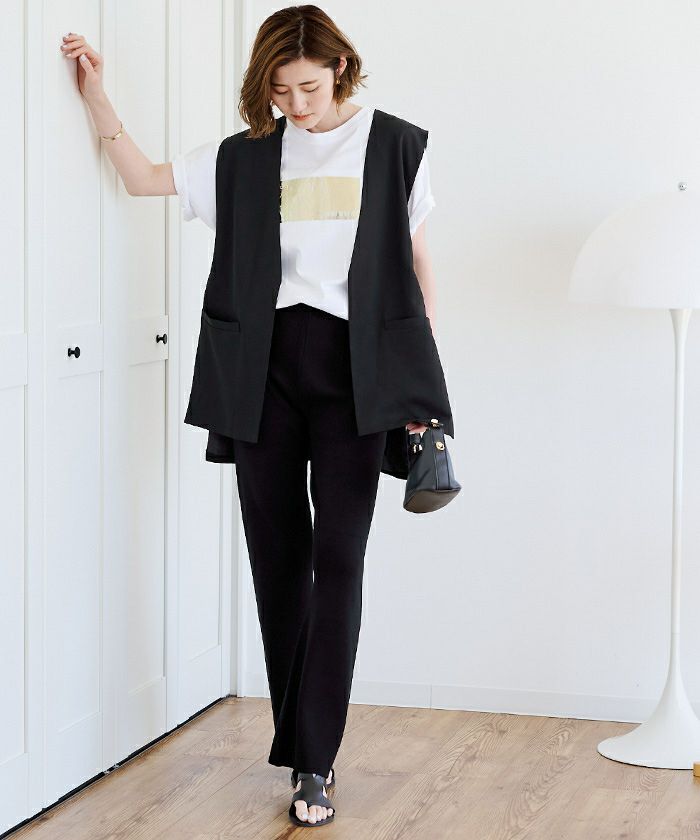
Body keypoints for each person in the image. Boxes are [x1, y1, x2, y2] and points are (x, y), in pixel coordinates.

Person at [62, 4, 449, 828]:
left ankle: (316, 758)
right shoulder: (246, 155)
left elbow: (418, 267)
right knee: (278, 563)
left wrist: (421, 392)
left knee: (339, 560)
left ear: (339, 68)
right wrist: (96, 97)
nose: (295, 105)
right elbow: (144, 179)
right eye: (279, 90)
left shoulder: (395, 145)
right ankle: (304, 752)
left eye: (307, 87)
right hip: (261, 372)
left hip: (356, 373)